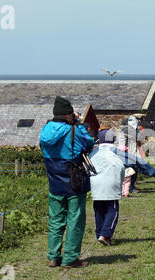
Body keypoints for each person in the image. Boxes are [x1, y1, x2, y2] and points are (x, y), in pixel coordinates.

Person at [39, 96, 95, 268]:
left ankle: (53, 257)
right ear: (67, 115)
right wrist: (78, 124)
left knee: (56, 220)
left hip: (54, 180)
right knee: (75, 220)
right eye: (72, 114)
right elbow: (89, 143)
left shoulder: (45, 130)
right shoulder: (74, 130)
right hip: (74, 181)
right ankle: (70, 258)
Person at [89, 129, 125, 246]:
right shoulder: (115, 151)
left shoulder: (94, 152)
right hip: (111, 185)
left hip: (96, 185)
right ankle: (105, 235)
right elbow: (122, 167)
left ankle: (99, 233)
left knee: (99, 211)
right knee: (112, 211)